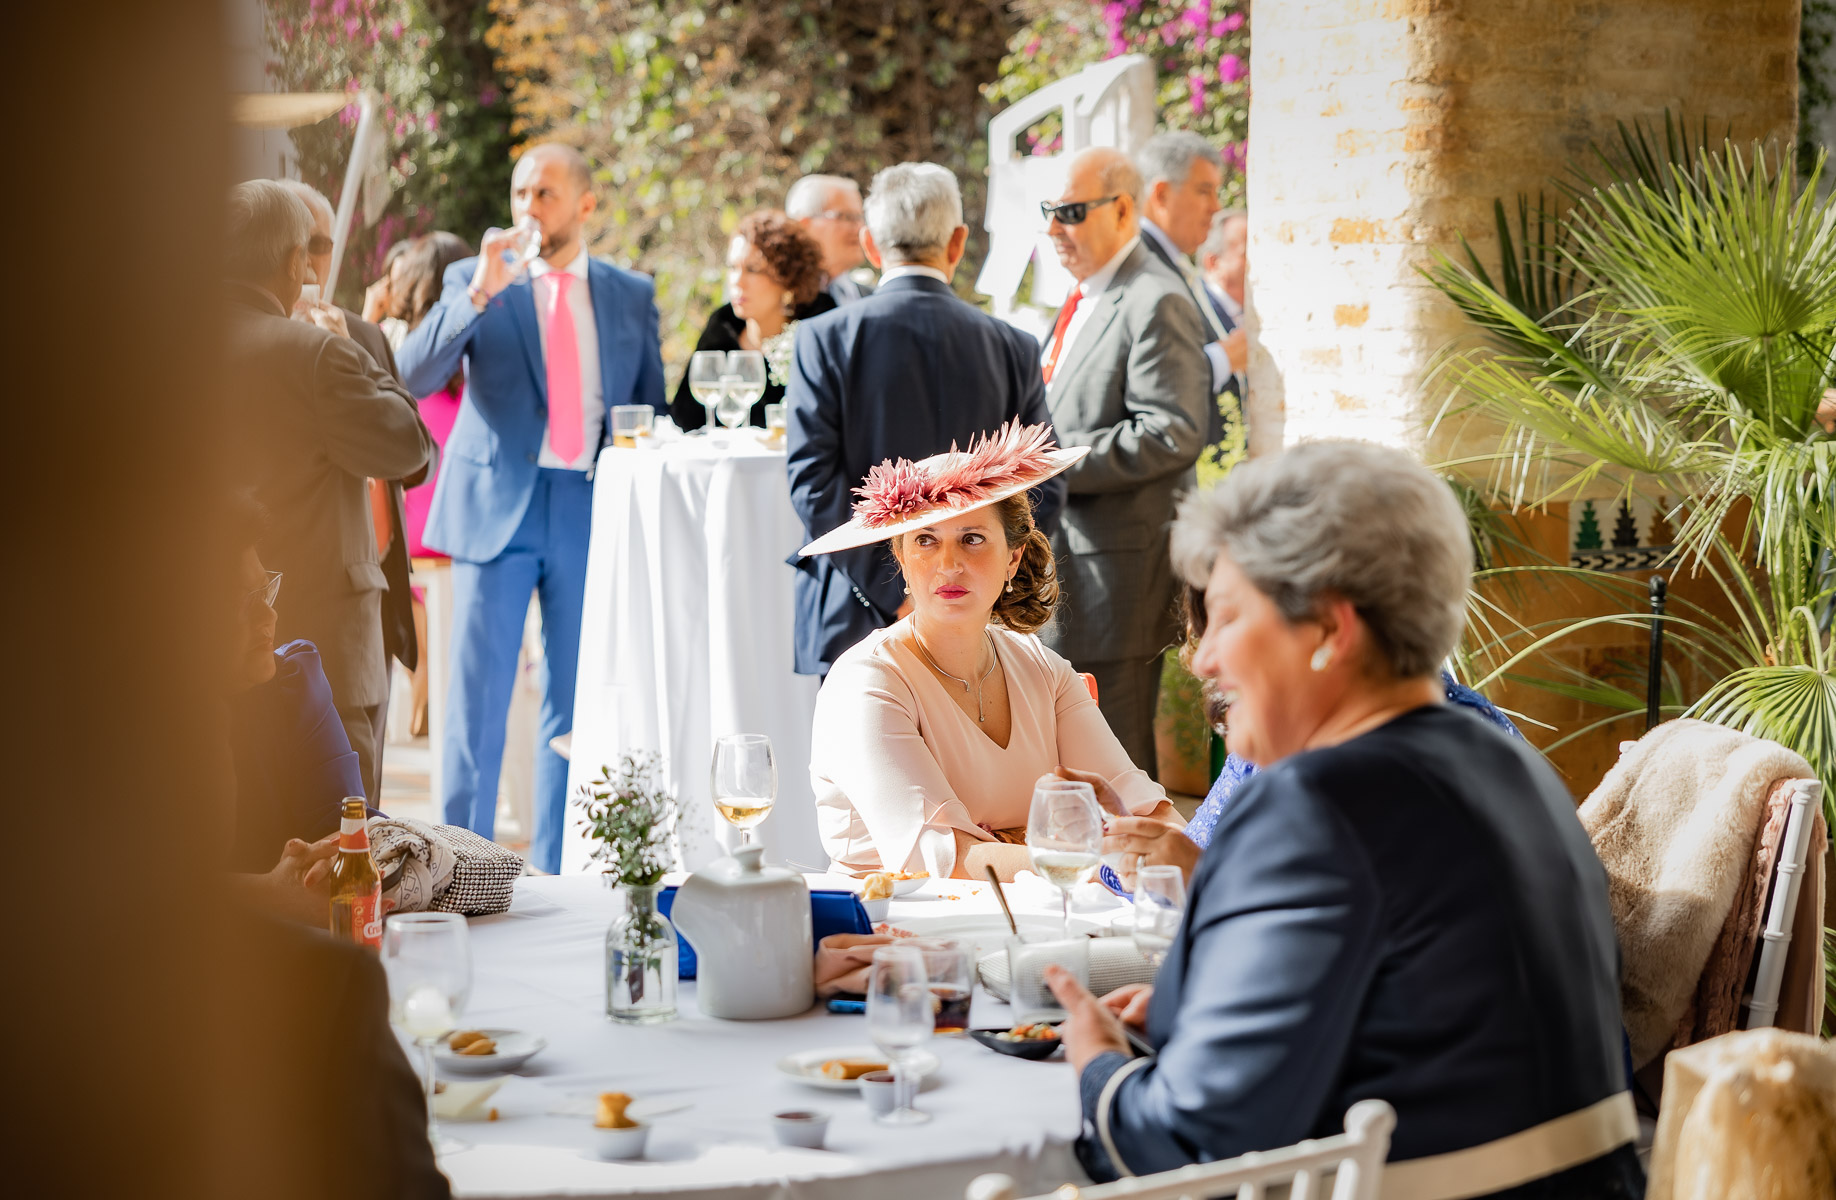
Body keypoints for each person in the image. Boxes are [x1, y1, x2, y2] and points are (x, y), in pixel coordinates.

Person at [1045, 442, 1642, 1198]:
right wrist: (1192, 1017)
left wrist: (1099, 1064)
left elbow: (1183, 1150)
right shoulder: (1511, 763)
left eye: (1227, 617)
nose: (1203, 661)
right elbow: (1425, 1026)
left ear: (1329, 630)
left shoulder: (1314, 802)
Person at [396, 143, 667, 873]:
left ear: (585, 204)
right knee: (476, 709)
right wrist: (479, 292)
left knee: (576, 707)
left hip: (588, 508)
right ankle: (460, 868)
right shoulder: (475, 280)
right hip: (498, 511)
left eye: (545, 194)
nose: (527, 209)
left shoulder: (629, 293)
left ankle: (557, 869)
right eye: (520, 194)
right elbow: (414, 374)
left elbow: (651, 411)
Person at [805, 422, 1181, 876]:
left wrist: (1189, 854)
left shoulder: (1043, 668)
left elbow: (1136, 804)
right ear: (902, 562)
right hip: (899, 929)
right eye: (926, 540)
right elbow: (942, 859)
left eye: (973, 538)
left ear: (1013, 558)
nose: (949, 564)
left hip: (1034, 917)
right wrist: (1083, 852)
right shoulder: (865, 682)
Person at [786, 162, 1066, 679]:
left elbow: (812, 483)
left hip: (859, 611)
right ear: (958, 243)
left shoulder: (822, 339)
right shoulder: (1012, 346)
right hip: (978, 612)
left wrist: (900, 591)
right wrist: (981, 587)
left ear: (871, 245)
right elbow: (1044, 479)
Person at [224, 181, 435, 805]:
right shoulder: (316, 353)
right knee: (338, 847)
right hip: (323, 648)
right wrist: (348, 350)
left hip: (207, 641)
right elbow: (408, 444)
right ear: (294, 264)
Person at [1036, 147, 1211, 773]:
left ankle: (1135, 877)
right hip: (1074, 570)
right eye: (1049, 211)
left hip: (1118, 583)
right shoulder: (1086, 295)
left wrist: (1052, 463)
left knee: (1118, 771)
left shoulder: (1154, 298)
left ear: (1124, 209)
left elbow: (1173, 431)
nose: (1055, 228)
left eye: (1072, 212)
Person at [220, 490, 367, 876]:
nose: (268, 615)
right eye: (242, 601)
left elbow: (349, 832)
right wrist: (271, 898)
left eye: (264, 591)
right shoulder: (138, 725)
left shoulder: (296, 689)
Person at [668, 210, 836, 431]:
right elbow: (685, 417)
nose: (737, 281)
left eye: (753, 270)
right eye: (732, 267)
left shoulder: (816, 329)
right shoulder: (721, 327)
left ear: (788, 278)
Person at [1135, 132, 1244, 449]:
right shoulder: (1144, 268)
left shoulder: (1167, 263)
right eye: (1204, 191)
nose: (1216, 206)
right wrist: (1223, 357)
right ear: (1162, 194)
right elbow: (1158, 381)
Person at [787, 173, 874, 305]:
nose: (860, 228)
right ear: (804, 226)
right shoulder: (779, 303)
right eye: (847, 217)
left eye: (860, 217)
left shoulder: (873, 299)